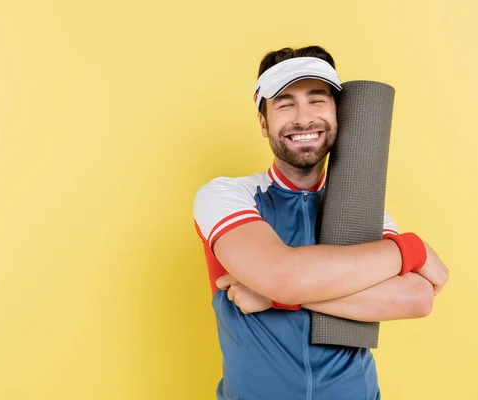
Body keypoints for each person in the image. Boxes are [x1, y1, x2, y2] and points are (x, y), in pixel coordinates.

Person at [192, 45, 449, 400]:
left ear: (337, 114)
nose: (303, 118)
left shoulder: (362, 208)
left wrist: (279, 297)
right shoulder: (226, 196)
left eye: (318, 100)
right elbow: (283, 277)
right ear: (264, 122)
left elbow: (417, 298)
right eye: (285, 103)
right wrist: (411, 249)